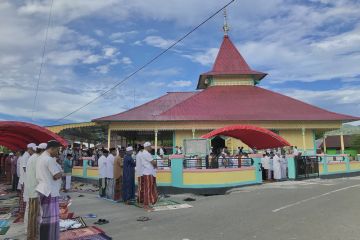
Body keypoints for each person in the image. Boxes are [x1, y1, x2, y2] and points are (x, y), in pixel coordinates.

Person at [36, 140, 62, 240]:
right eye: (57, 150)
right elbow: (56, 175)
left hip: (42, 189)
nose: (58, 152)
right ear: (52, 149)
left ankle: (44, 237)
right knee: (51, 220)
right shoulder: (49, 159)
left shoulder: (40, 158)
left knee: (44, 218)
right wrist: (61, 173)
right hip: (50, 191)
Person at [25, 143, 46, 240]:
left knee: (33, 214)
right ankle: (33, 236)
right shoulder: (37, 159)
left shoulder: (33, 157)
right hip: (35, 191)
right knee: (34, 215)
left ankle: (32, 234)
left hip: (32, 190)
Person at [19, 143, 36, 218]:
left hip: (25, 179)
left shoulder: (28, 156)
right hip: (25, 179)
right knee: (24, 198)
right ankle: (23, 213)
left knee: (24, 197)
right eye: (33, 150)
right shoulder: (26, 156)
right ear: (30, 149)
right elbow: (25, 168)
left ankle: (23, 212)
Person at [141, 142, 158, 211]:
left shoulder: (144, 153)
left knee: (148, 189)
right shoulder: (146, 154)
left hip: (148, 173)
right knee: (148, 189)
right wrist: (155, 164)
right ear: (147, 147)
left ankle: (147, 203)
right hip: (148, 173)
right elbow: (153, 162)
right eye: (150, 146)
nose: (151, 148)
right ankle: (146, 205)